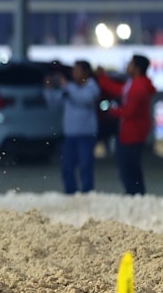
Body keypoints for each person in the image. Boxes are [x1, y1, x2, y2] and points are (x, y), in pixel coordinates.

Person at [96, 54, 157, 195]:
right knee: (130, 167)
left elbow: (129, 111)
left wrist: (111, 110)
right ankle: (135, 194)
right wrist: (102, 77)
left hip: (132, 133)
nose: (127, 66)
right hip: (131, 132)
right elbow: (116, 89)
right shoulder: (135, 83)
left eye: (130, 64)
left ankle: (135, 195)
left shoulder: (138, 86)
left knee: (130, 168)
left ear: (137, 68)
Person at [44, 61, 100, 194]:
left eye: (77, 71)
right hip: (70, 135)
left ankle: (87, 192)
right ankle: (70, 193)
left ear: (86, 72)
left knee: (85, 166)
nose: (73, 74)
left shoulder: (92, 87)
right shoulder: (69, 88)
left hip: (86, 134)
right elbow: (53, 101)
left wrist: (66, 86)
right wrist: (48, 87)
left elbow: (85, 100)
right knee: (67, 167)